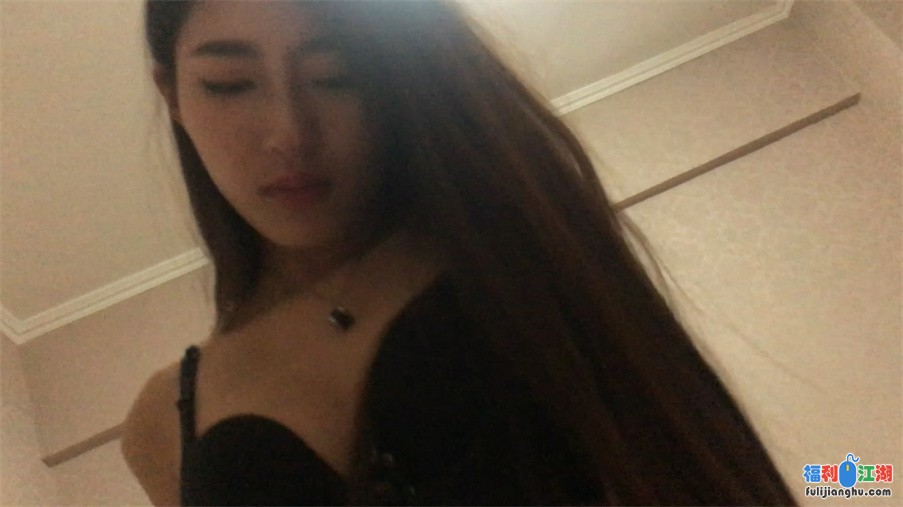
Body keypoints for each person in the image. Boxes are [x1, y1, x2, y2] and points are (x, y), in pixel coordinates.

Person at [121, 1, 796, 505]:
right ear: (171, 93)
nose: (290, 131)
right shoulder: (160, 424)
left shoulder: (510, 245)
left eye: (337, 74)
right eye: (230, 83)